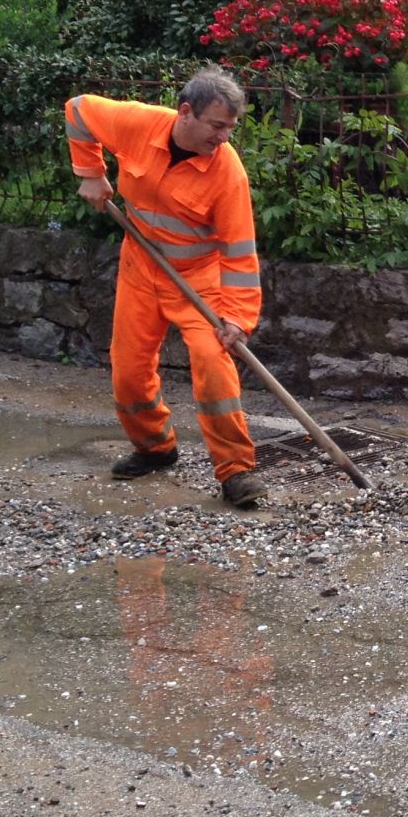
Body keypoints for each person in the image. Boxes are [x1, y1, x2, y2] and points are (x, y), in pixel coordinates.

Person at [65, 67, 265, 506]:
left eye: (231, 128)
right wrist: (91, 173)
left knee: (215, 363)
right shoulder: (139, 124)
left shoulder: (227, 173)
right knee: (129, 371)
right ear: (187, 112)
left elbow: (239, 251)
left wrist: (237, 318)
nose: (224, 138)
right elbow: (79, 110)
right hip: (140, 267)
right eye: (217, 126)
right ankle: (155, 448)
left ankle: (236, 472)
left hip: (198, 278)